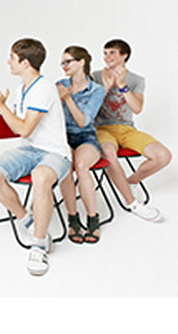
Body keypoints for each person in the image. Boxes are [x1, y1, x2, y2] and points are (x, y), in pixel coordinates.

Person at [0, 38, 71, 276]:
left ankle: (39, 245)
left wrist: (0, 106)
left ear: (25, 62)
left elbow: (24, 129)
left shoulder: (44, 89)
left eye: (12, 57)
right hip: (29, 150)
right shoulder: (21, 88)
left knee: (41, 177)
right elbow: (17, 126)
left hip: (55, 152)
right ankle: (27, 220)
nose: (8, 62)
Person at [92, 39, 172, 222]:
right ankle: (132, 203)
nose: (107, 57)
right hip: (101, 128)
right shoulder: (95, 76)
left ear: (124, 56)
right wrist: (106, 87)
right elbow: (90, 109)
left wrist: (122, 85)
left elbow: (137, 108)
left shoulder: (136, 80)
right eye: (105, 53)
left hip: (127, 129)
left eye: (112, 53)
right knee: (108, 152)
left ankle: (131, 182)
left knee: (163, 156)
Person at [56, 46, 106, 244]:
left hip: (86, 137)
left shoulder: (96, 90)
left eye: (68, 61)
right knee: (66, 165)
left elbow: (84, 122)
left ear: (81, 62)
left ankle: (93, 219)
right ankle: (72, 218)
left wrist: (67, 99)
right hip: (63, 138)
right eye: (62, 63)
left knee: (82, 165)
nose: (64, 66)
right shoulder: (60, 85)